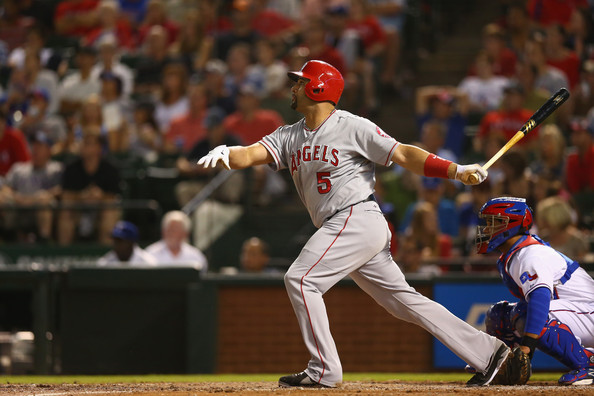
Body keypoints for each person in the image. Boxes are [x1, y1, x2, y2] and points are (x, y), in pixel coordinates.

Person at [198, 59, 524, 388]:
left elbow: (403, 154)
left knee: (300, 280)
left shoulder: (352, 126)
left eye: (300, 82)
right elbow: (251, 154)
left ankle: (323, 369)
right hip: (344, 225)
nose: (293, 88)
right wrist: (228, 153)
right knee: (402, 302)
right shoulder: (289, 135)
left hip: (355, 216)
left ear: (318, 87)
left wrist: (454, 170)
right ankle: (491, 353)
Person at [475, 196, 594, 385]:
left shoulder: (530, 254)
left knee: (527, 312)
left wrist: (527, 348)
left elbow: (540, 298)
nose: (487, 229)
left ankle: (589, 364)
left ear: (511, 224)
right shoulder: (518, 252)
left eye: (493, 223)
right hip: (580, 312)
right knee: (500, 315)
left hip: (589, 311)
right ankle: (501, 364)